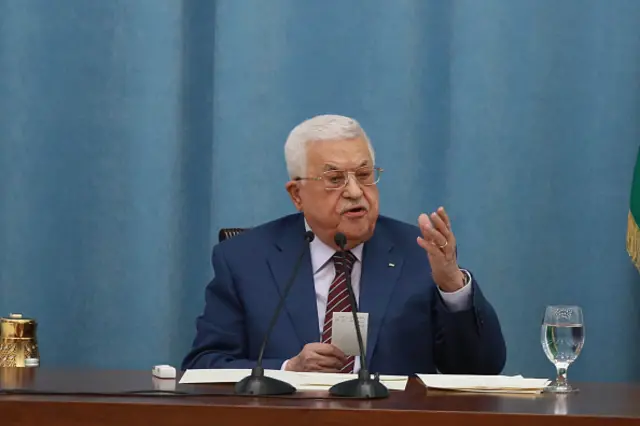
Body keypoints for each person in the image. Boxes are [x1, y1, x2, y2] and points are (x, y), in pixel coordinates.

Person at [182, 114, 506, 375]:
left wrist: (451, 283)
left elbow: (480, 370)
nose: (354, 192)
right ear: (297, 195)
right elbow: (203, 367)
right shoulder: (244, 259)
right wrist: (287, 369)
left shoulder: (420, 252)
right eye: (335, 179)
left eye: (364, 175)